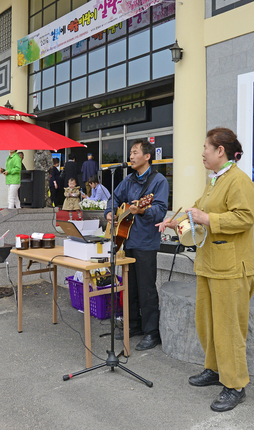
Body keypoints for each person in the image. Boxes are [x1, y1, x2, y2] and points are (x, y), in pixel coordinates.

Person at [156, 127, 254, 413]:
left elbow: (245, 218)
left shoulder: (239, 181)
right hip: (210, 264)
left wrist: (207, 218)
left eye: (205, 148)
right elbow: (197, 212)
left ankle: (235, 385)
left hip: (231, 268)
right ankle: (214, 369)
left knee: (228, 329)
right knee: (208, 323)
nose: (202, 153)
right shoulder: (215, 181)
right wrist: (175, 223)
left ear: (220, 151)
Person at [105, 139, 168, 351]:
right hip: (127, 239)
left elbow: (160, 210)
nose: (130, 157)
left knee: (146, 288)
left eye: (134, 152)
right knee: (129, 286)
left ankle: (152, 332)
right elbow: (113, 197)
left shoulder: (158, 181)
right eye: (130, 153)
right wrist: (110, 212)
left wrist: (142, 210)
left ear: (147, 156)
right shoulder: (129, 179)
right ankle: (133, 325)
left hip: (146, 243)